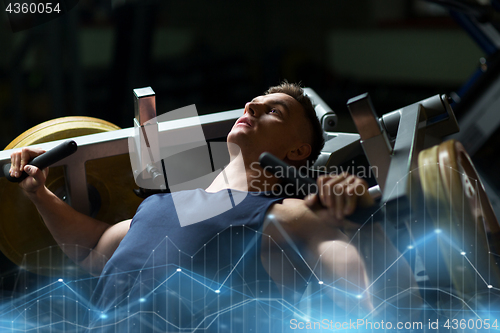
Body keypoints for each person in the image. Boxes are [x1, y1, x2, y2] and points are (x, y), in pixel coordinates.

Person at [9, 82, 420, 331]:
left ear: (299, 150)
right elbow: (95, 250)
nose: (252, 108)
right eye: (251, 104)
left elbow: (382, 303)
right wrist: (40, 195)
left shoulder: (287, 215)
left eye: (273, 110)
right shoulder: (160, 204)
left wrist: (364, 217)